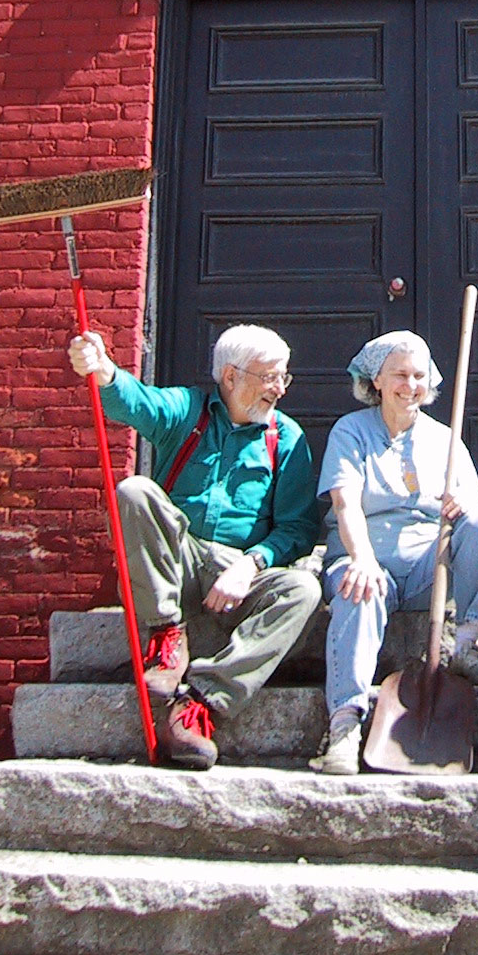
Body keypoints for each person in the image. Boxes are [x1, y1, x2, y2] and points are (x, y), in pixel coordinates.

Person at [68, 324, 321, 769]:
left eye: (285, 378)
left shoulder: (287, 438)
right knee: (134, 492)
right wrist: (104, 370)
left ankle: (201, 705)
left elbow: (297, 528)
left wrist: (251, 562)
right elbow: (137, 402)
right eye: (269, 377)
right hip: (176, 562)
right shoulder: (187, 410)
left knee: (304, 590)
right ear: (230, 376)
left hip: (239, 573)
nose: (279, 389)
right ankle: (166, 637)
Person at [309, 330, 478, 775]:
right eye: (400, 374)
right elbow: (345, 503)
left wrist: (463, 507)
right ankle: (344, 726)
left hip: (427, 571)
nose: (411, 384)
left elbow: (476, 509)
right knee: (357, 587)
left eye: (420, 375)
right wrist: (360, 559)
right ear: (375, 379)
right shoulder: (351, 432)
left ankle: (466, 643)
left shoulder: (443, 438)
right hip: (365, 557)